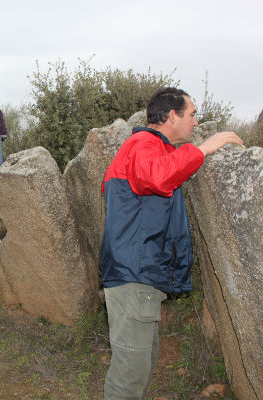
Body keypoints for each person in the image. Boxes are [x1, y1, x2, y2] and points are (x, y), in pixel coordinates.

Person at [100, 87, 243, 399]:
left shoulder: (152, 148)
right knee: (129, 376)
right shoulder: (142, 143)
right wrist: (204, 148)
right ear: (170, 116)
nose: (195, 122)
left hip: (139, 274)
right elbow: (155, 176)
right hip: (133, 274)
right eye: (191, 114)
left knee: (141, 366)